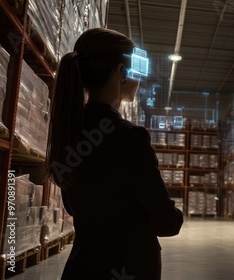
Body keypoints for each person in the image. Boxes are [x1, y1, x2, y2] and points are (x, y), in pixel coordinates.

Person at [45, 28, 183, 280]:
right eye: (136, 72)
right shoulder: (131, 137)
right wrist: (175, 213)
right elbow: (167, 223)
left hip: (82, 268)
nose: (139, 81)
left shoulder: (70, 131)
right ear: (121, 73)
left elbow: (73, 207)